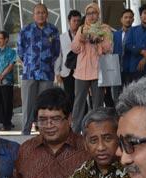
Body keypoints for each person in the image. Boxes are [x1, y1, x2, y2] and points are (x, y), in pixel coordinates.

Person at [17, 4, 60, 136]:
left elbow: (56, 51)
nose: (41, 15)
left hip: (47, 73)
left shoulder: (53, 30)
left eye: (43, 12)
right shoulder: (26, 30)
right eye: (38, 13)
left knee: (45, 105)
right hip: (29, 73)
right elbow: (20, 51)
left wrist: (47, 61)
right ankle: (25, 133)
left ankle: (44, 133)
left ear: (47, 14)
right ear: (33, 15)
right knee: (28, 105)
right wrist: (30, 62)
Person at [70, 3, 113, 133]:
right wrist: (81, 39)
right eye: (88, 13)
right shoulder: (82, 28)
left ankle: (96, 130)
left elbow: (108, 48)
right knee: (78, 102)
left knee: (98, 103)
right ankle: (75, 132)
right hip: (81, 71)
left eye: (94, 13)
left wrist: (98, 40)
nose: (91, 16)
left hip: (98, 71)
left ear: (98, 14)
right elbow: (74, 48)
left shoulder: (105, 29)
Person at [55, 9, 82, 106]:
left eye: (78, 21)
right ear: (69, 21)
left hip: (80, 70)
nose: (76, 23)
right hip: (66, 71)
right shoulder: (61, 37)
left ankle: (83, 114)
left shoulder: (83, 36)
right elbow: (59, 56)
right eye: (74, 21)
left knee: (80, 96)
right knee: (69, 96)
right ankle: (71, 115)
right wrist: (57, 72)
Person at [0, 31, 17, 131]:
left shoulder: (11, 52)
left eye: (0, 38)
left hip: (7, 82)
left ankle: (7, 124)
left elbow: (11, 65)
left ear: (6, 39)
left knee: (7, 104)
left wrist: (1, 76)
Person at [111, 8, 135, 103]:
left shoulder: (136, 33)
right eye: (126, 17)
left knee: (130, 95)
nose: (128, 19)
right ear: (121, 19)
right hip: (116, 68)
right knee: (116, 95)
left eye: (130, 17)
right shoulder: (115, 34)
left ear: (133, 19)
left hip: (130, 69)